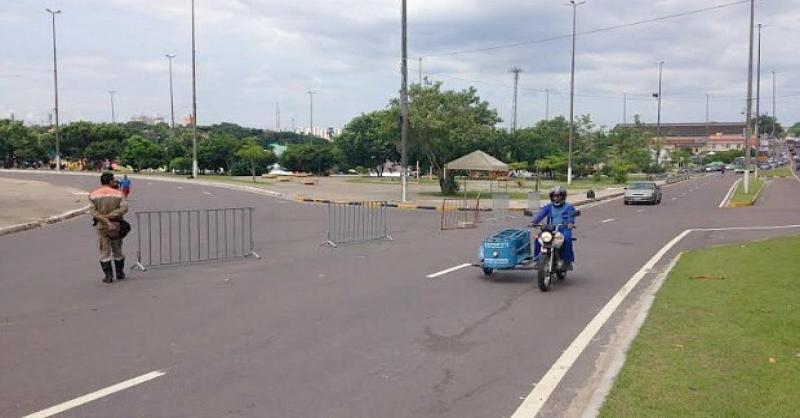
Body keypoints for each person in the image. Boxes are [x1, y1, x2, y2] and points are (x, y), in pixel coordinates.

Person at [89, 172, 129, 283]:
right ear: (110, 181)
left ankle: (108, 276)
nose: (115, 181)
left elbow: (93, 212)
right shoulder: (119, 194)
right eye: (114, 180)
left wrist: (103, 218)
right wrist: (110, 216)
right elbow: (124, 209)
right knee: (117, 249)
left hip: (101, 226)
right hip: (116, 225)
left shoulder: (93, 194)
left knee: (104, 251)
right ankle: (119, 273)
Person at [531, 185, 576, 270]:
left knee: (567, 240)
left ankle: (567, 262)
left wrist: (570, 223)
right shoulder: (549, 206)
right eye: (554, 196)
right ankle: (537, 260)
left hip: (563, 229)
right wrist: (534, 222)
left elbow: (571, 217)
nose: (556, 198)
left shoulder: (569, 207)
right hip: (550, 229)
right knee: (538, 239)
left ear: (563, 196)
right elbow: (541, 214)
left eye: (558, 196)